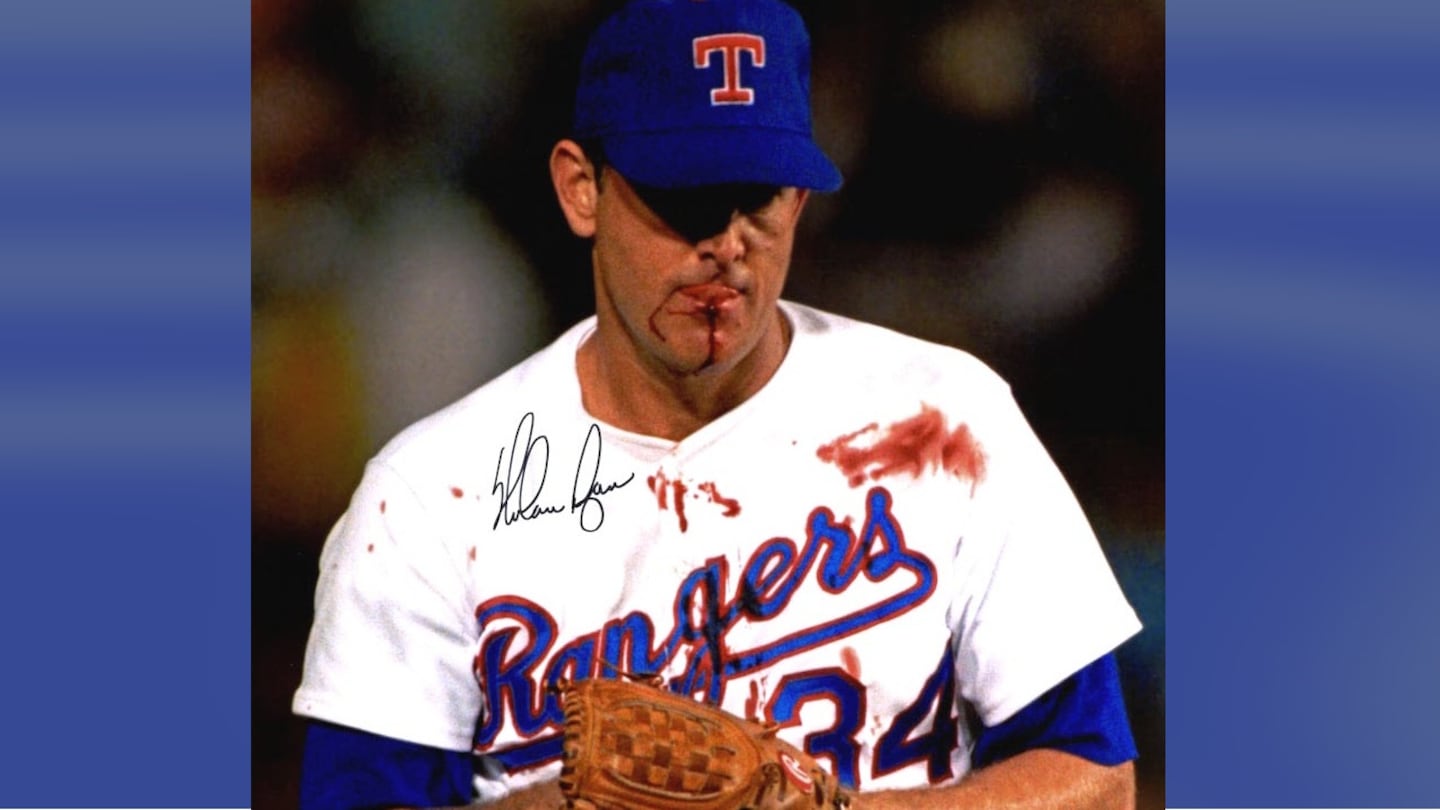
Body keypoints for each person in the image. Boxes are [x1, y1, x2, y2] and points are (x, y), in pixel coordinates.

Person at [293, 0, 1144, 807]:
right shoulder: (430, 497)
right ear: (580, 188)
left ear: (801, 197)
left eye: (758, 199)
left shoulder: (946, 422)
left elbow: (1099, 779)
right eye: (684, 196)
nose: (725, 245)